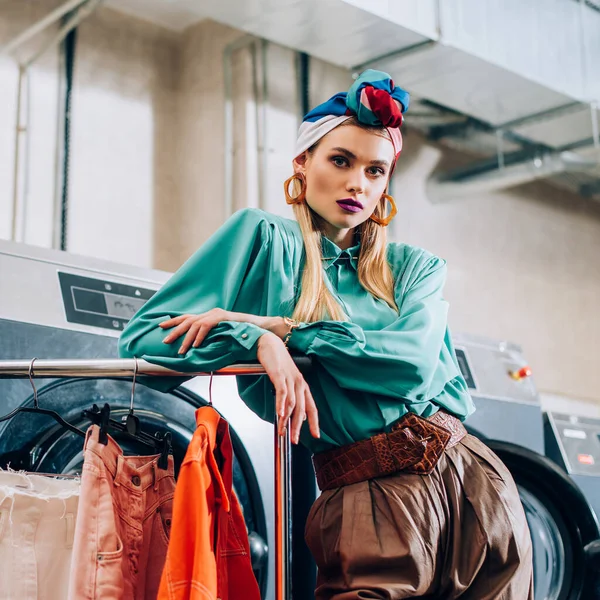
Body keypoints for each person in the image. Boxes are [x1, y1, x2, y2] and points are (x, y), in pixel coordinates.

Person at [119, 70, 534, 599]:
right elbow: (141, 344)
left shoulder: (414, 268)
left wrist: (290, 330)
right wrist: (255, 340)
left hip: (475, 482)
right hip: (368, 490)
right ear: (302, 163)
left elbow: (410, 367)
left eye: (375, 170)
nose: (357, 183)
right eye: (340, 160)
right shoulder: (262, 239)